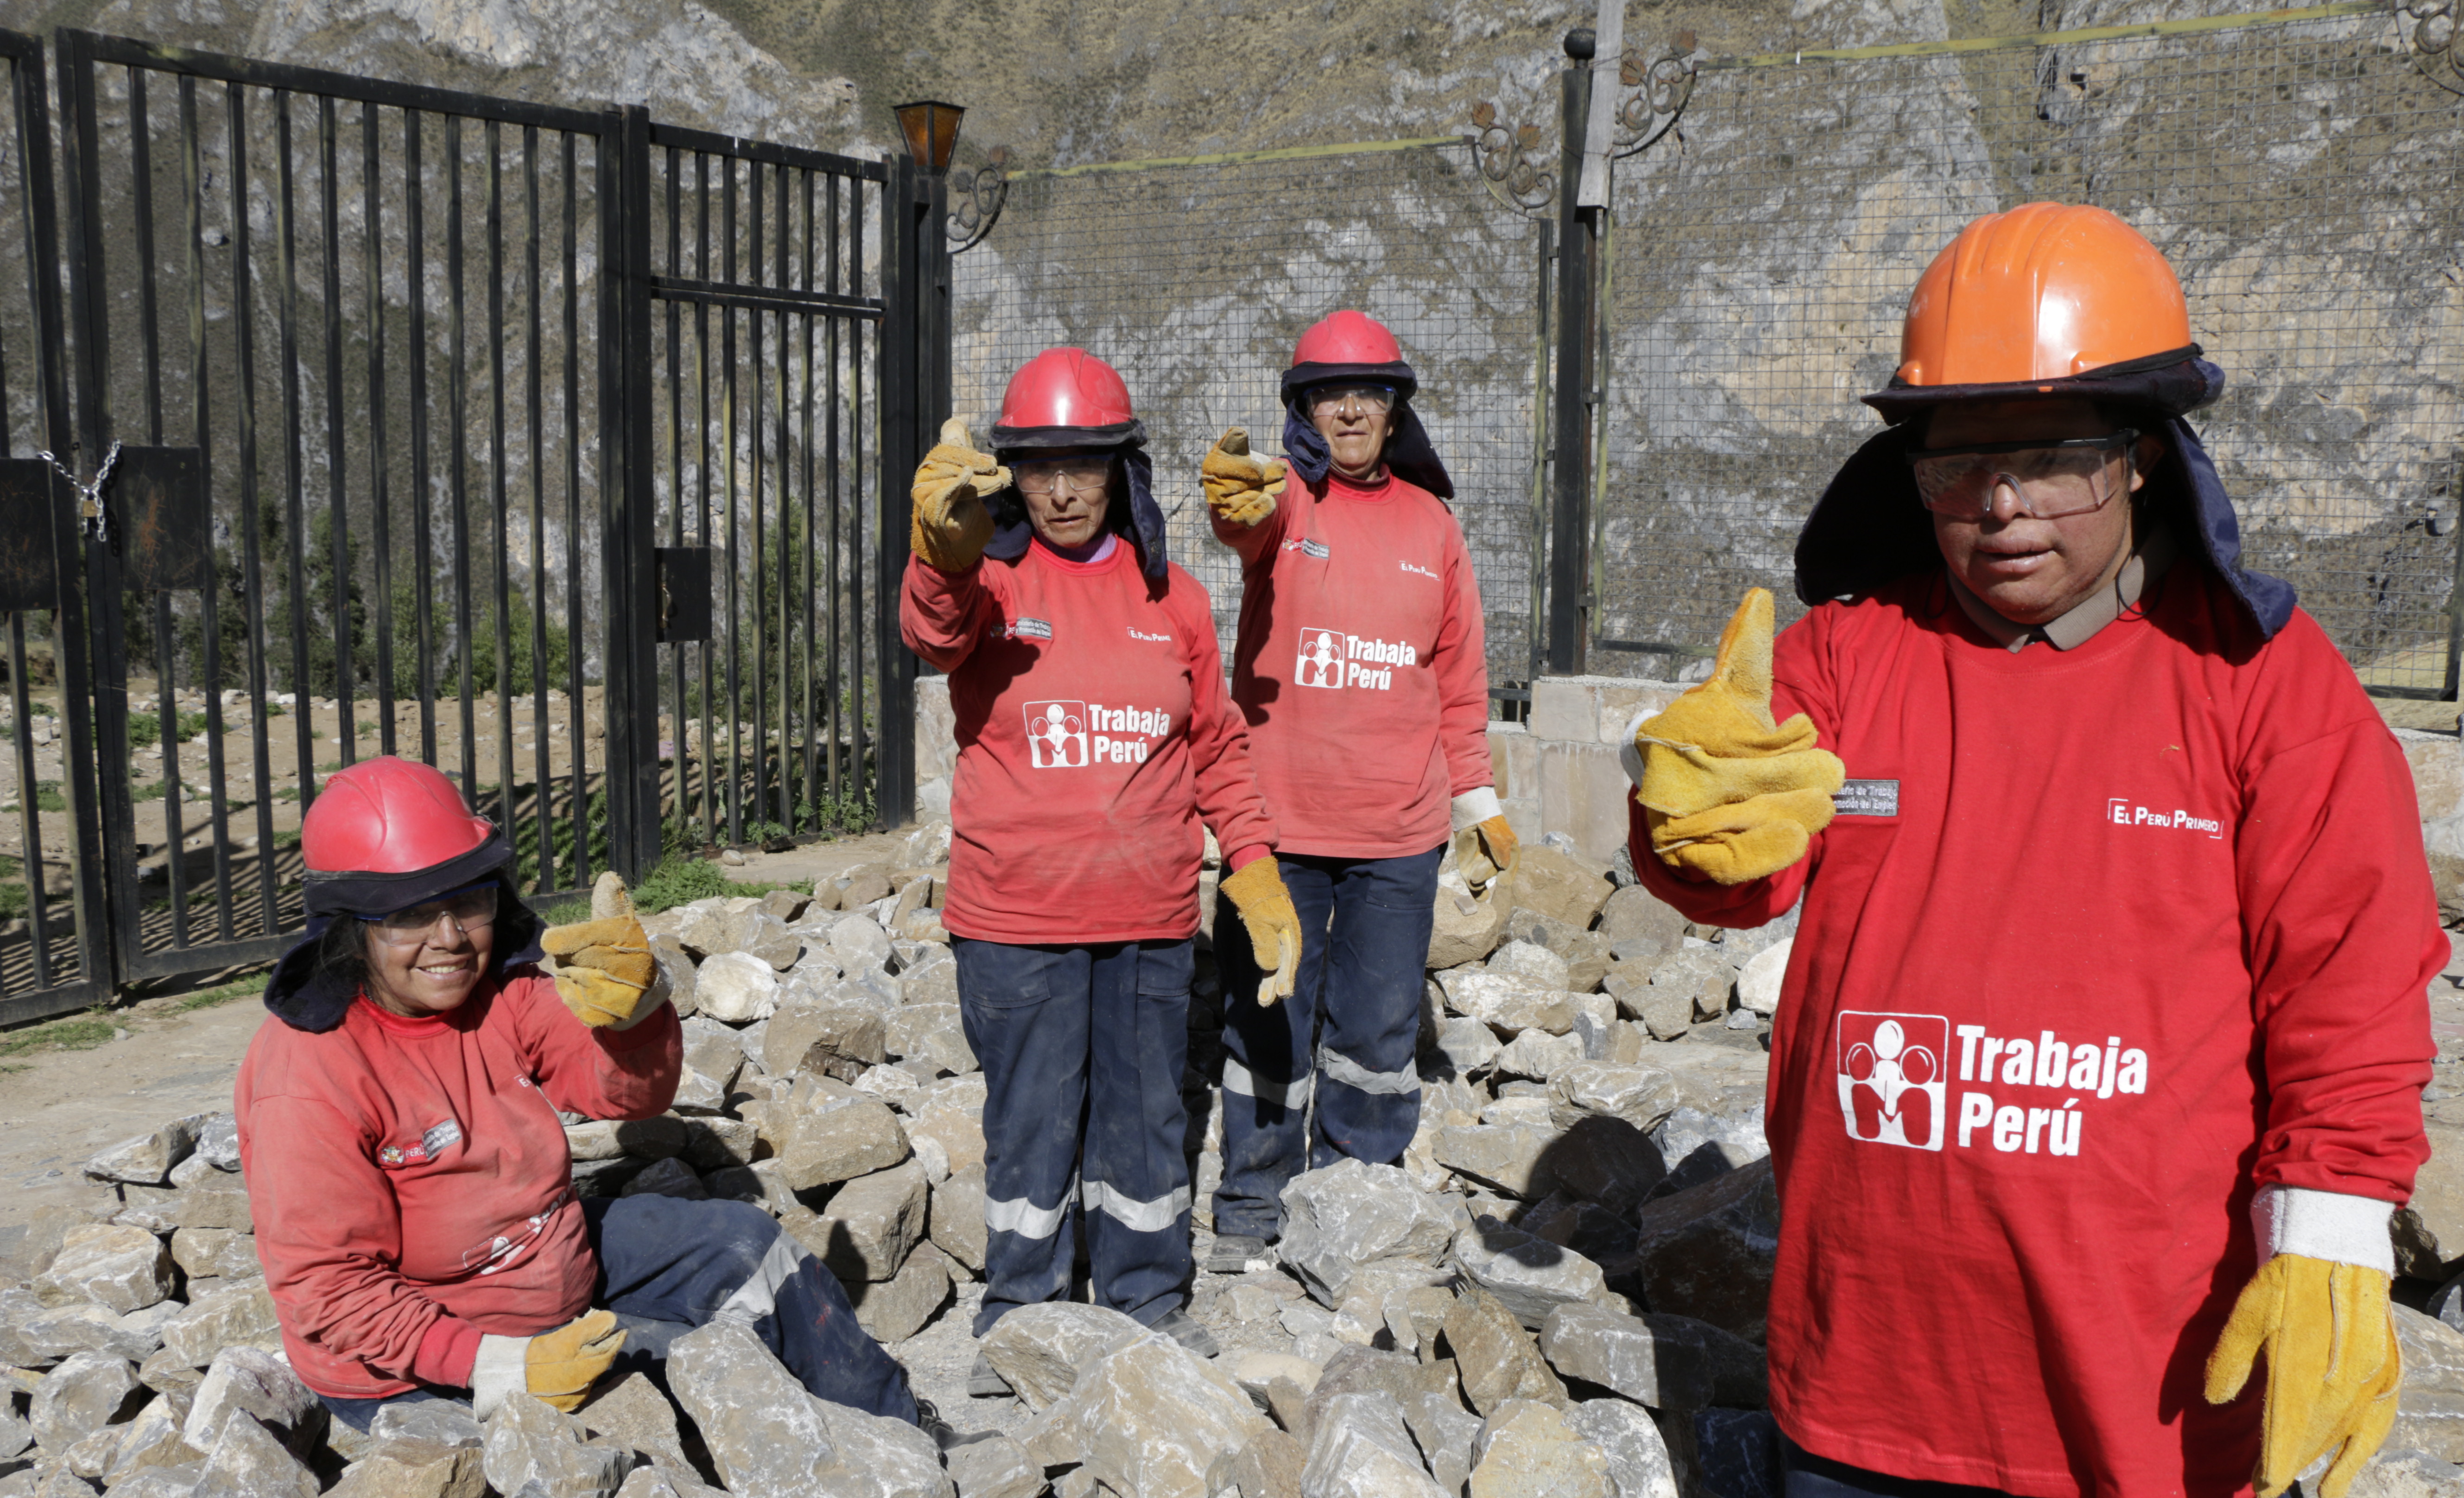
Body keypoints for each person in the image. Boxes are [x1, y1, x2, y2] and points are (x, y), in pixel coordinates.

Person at [1622, 202, 2445, 1498]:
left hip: (2153, 1368)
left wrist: (2331, 1229)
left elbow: (2352, 974)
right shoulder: (1847, 657)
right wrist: (1684, 826)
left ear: (2139, 454)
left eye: (2054, 456)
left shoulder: (2260, 685)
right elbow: (1739, 872)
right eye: (1959, 460)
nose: (2002, 505)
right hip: (1872, 1355)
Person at [236, 756, 936, 1435]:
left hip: (544, 1255)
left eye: (468, 902)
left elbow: (632, 1097)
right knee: (679, 1389)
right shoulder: (307, 1073)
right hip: (420, 1360)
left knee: (747, 1244)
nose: (449, 938)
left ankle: (895, 1430)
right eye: (410, 916)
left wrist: (635, 1015)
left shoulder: (502, 991)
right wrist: (503, 1366)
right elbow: (329, 1289)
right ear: (350, 928)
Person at [899, 347, 1303, 1394]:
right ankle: (1019, 1325)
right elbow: (931, 633)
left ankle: (1146, 1300)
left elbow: (1213, 743)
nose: (1066, 489)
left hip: (1149, 917)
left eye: (1087, 464)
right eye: (1040, 468)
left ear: (1125, 468)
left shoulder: (1171, 599)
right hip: (1015, 923)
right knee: (1031, 1120)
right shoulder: (990, 580)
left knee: (1144, 1116)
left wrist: (1253, 867)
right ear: (1012, 480)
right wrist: (940, 558)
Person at [1194, 310, 1513, 1271]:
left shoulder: (1433, 526)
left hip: (1398, 834)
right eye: (1328, 393)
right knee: (1268, 1017)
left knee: (1376, 1029)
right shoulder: (1283, 501)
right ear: (1302, 407)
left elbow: (1458, 684)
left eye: (1368, 392)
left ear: (1394, 407)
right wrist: (1235, 506)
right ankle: (1253, 1200)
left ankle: (1356, 1199)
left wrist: (1479, 804)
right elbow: (1239, 524)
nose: (1349, 409)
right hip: (1281, 829)